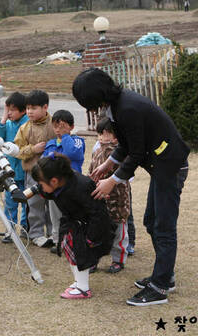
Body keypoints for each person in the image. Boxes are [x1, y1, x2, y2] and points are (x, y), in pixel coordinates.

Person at [72, 67, 189, 306]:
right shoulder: (117, 106)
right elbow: (126, 145)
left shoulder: (128, 108)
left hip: (170, 167)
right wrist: (108, 163)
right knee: (151, 221)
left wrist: (112, 181)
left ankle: (160, 287)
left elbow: (136, 153)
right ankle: (165, 275)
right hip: (161, 167)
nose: (90, 108)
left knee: (163, 227)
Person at [31, 153, 115, 299]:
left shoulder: (81, 186)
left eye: (41, 184)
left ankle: (83, 288)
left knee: (79, 255)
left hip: (91, 228)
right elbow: (52, 193)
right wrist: (36, 191)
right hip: (75, 225)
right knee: (70, 251)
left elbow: (98, 213)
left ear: (54, 180)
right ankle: (78, 282)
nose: (40, 187)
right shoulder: (61, 185)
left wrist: (92, 238)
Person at [13, 90, 56, 248]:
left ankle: (54, 233)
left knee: (53, 203)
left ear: (45, 107)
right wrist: (33, 149)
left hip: (52, 173)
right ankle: (36, 234)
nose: (30, 111)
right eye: (28, 108)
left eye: (34, 108)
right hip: (32, 173)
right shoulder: (24, 128)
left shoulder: (55, 124)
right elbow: (17, 151)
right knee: (35, 203)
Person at [90, 117, 131, 274]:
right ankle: (94, 260)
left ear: (115, 136)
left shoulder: (120, 152)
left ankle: (118, 260)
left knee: (119, 230)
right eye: (100, 134)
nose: (102, 138)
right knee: (98, 231)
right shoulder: (97, 151)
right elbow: (92, 170)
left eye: (106, 134)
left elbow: (123, 172)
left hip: (118, 200)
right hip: (99, 199)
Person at [42, 109, 85, 253]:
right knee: (55, 216)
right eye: (56, 126)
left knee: (72, 215)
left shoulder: (77, 141)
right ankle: (57, 241)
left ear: (71, 127)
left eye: (63, 126)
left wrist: (66, 136)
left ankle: (73, 242)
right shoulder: (51, 143)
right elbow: (45, 162)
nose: (58, 130)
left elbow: (72, 153)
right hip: (55, 188)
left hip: (73, 187)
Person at [0, 92, 30, 243]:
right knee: (10, 203)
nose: (9, 113)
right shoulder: (7, 124)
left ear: (23, 110)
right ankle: (10, 229)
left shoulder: (27, 124)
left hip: (25, 170)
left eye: (12, 110)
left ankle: (26, 229)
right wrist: (3, 118)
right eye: (8, 109)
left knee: (26, 202)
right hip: (9, 172)